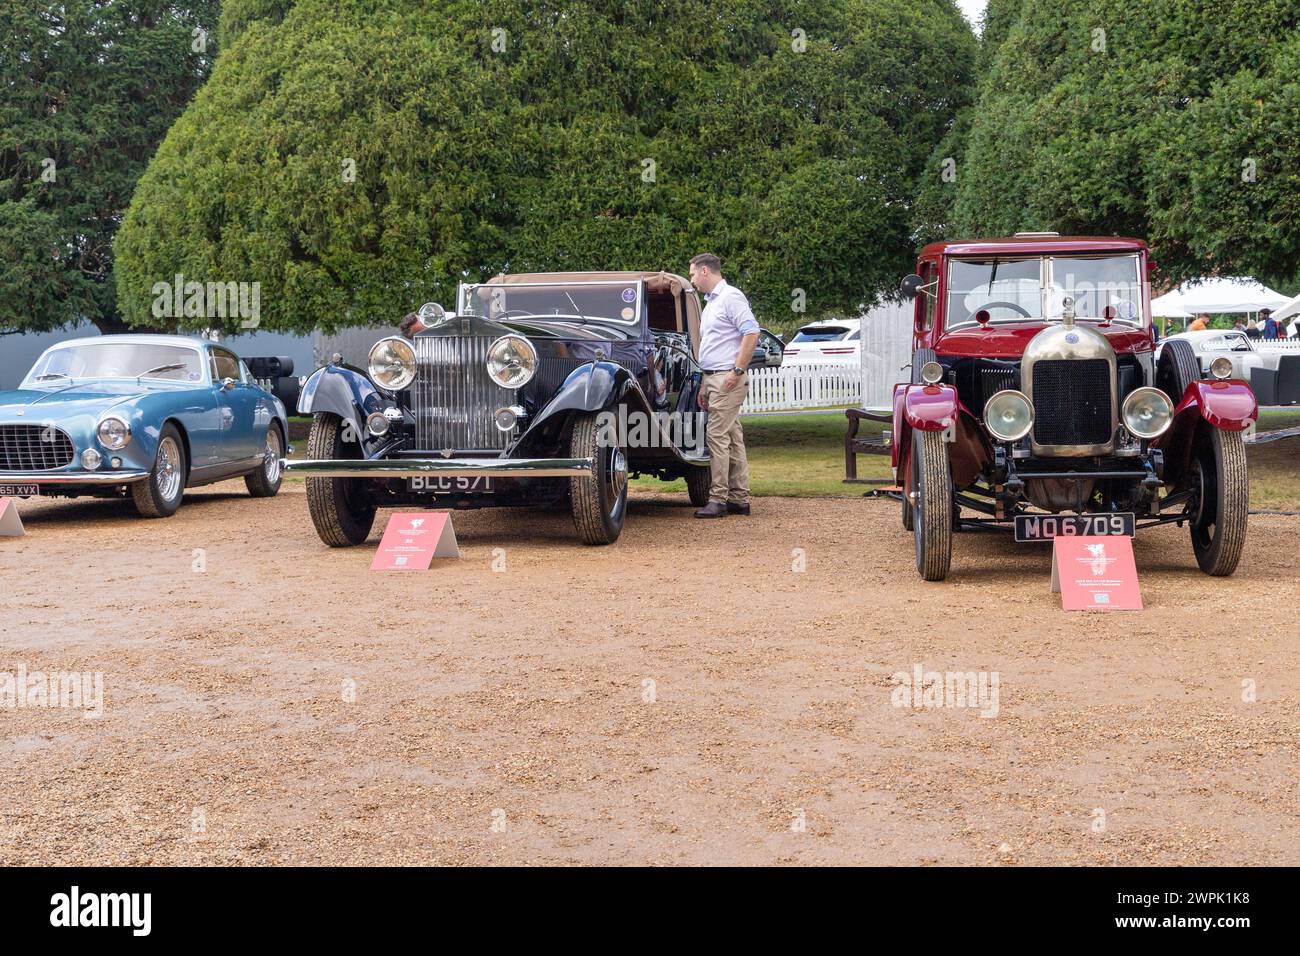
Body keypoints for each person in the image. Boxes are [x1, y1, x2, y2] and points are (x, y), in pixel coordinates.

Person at [687, 253, 760, 518]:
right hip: (715, 377)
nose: (692, 280)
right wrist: (706, 382)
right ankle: (739, 499)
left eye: (693, 274)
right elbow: (713, 346)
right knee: (732, 437)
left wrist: (737, 370)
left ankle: (718, 499)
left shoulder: (730, 297)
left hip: (727, 378)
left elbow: (752, 331)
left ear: (705, 271)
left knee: (716, 436)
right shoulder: (712, 303)